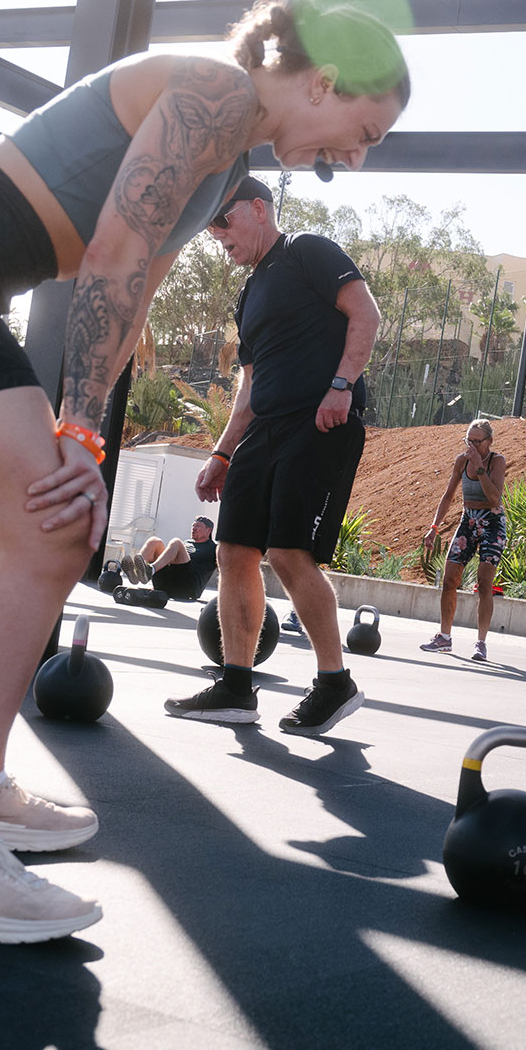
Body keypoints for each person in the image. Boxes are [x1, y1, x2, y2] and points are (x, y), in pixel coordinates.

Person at [0, 0, 409, 943]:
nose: (354, 161)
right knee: (49, 531)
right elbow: (111, 255)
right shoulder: (214, 90)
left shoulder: (226, 156)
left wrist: (83, 430)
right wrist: (78, 433)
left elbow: (138, 288)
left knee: (56, 529)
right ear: (323, 82)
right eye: (364, 134)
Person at [166, 171, 382, 732]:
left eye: (224, 219)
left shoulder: (307, 251)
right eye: (211, 226)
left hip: (319, 420)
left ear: (259, 209)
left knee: (287, 553)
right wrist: (221, 453)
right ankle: (236, 687)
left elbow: (366, 314)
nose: (218, 233)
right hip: (264, 429)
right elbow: (250, 384)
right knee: (233, 551)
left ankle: (334, 683)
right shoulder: (248, 294)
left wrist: (341, 385)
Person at [419, 419, 507, 662]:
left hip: (492, 524)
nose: (472, 446)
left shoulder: (496, 461)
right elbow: (448, 495)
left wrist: (479, 467)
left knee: (484, 583)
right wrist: (434, 527)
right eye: (469, 440)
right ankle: (444, 637)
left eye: (477, 441)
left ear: (489, 441)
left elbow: (494, 499)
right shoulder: (461, 461)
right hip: (468, 521)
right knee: (449, 579)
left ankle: (481, 643)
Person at [122, 515, 217, 601]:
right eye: (193, 526)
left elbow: (224, 570)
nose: (194, 529)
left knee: (176, 542)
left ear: (208, 530)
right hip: (166, 583)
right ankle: (136, 573)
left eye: (198, 526)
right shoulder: (186, 543)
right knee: (154, 541)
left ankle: (150, 570)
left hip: (186, 588)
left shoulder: (214, 548)